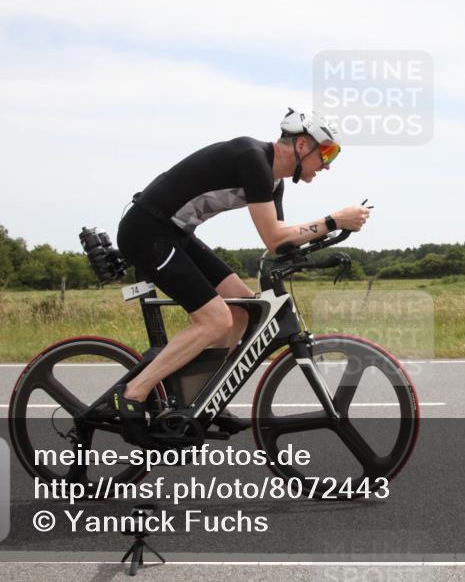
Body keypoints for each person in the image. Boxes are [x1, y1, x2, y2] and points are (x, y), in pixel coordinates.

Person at [112, 108, 370, 445]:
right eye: (327, 152)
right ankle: (133, 393)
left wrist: (323, 249)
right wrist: (334, 220)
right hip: (147, 231)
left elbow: (280, 245)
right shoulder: (253, 159)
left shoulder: (273, 180)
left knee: (246, 311)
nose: (328, 164)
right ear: (304, 144)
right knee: (215, 320)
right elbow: (275, 237)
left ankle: (199, 398)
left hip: (174, 233)